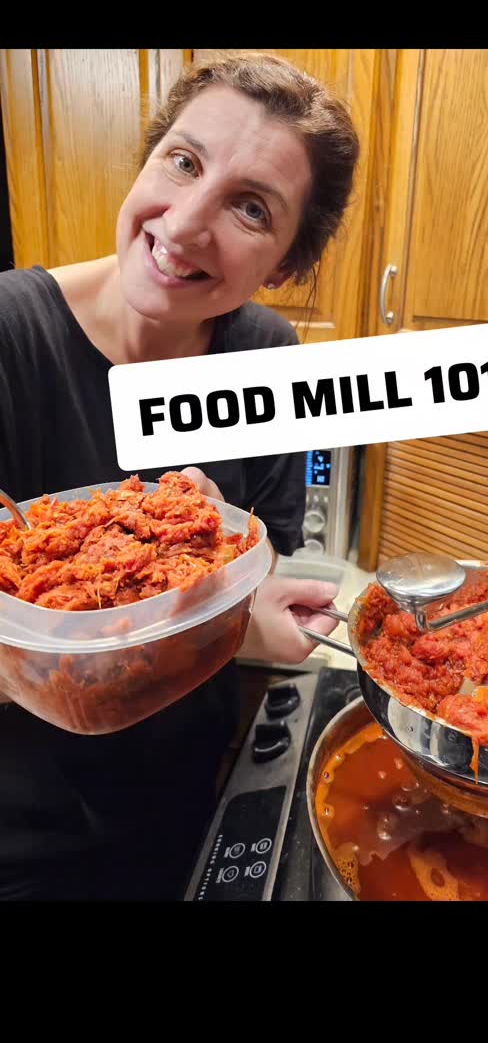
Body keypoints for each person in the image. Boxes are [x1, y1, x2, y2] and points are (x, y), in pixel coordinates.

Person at [0, 51, 360, 900]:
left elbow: (257, 564)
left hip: (184, 803)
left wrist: (235, 601)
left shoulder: (268, 355)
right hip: (27, 840)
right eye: (184, 161)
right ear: (149, 160)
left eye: (249, 207)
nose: (185, 223)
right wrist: (174, 612)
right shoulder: (11, 333)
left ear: (284, 264)